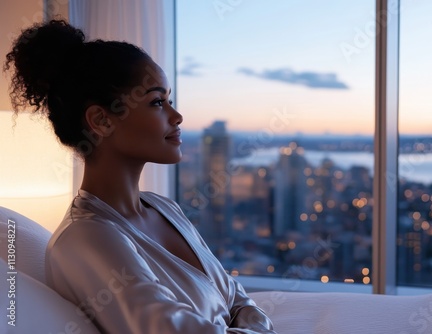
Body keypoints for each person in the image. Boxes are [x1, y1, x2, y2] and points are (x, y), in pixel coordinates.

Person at [4, 19, 276, 334]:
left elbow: (238, 299)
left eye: (169, 100)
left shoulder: (164, 208)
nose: (177, 116)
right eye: (157, 102)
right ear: (101, 120)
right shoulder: (86, 238)